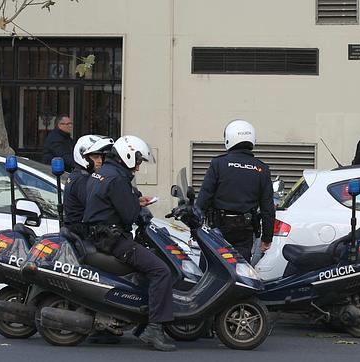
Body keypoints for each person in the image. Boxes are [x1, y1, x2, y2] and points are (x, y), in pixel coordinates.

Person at [83, 135, 176, 351]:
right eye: (138, 159)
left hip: (100, 235)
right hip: (114, 240)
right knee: (161, 270)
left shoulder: (103, 172)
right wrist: (139, 208)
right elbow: (129, 215)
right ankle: (154, 328)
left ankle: (139, 316)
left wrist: (134, 201)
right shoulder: (118, 178)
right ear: (127, 155)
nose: (139, 164)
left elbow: (111, 203)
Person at [196, 119, 275, 262]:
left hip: (218, 227)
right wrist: (267, 238)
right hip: (244, 231)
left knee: (211, 265)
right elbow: (268, 209)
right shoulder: (262, 169)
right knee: (240, 268)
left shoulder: (218, 164)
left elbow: (204, 198)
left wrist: (194, 225)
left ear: (229, 138)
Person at [63, 135, 114, 239]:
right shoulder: (82, 179)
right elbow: (95, 206)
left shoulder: (79, 175)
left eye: (101, 157)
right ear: (83, 157)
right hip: (82, 235)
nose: (100, 161)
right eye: (95, 157)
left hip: (81, 232)